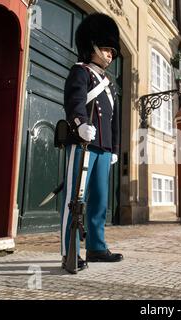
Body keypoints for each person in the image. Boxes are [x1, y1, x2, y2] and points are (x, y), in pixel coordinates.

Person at [61, 13, 123, 271]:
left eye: (111, 50)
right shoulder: (80, 72)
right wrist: (79, 123)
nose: (110, 55)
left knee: (99, 200)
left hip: (104, 150)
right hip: (83, 145)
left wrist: (115, 149)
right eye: (106, 49)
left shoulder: (110, 84)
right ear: (92, 47)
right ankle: (70, 253)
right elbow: (74, 101)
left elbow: (114, 121)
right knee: (75, 200)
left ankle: (96, 247)